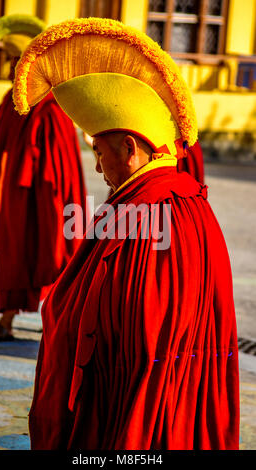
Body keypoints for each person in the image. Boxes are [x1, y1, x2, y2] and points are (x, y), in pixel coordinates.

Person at [13, 18, 239, 450]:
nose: (97, 169)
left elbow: (137, 338)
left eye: (99, 152)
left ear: (130, 149)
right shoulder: (177, 199)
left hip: (138, 403)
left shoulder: (158, 211)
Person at [0, 15, 88, 341]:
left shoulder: (54, 108)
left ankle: (66, 321)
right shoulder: (12, 102)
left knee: (55, 252)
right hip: (15, 197)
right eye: (14, 64)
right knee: (15, 254)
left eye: (19, 64)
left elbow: (62, 168)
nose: (15, 71)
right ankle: (8, 321)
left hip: (46, 199)